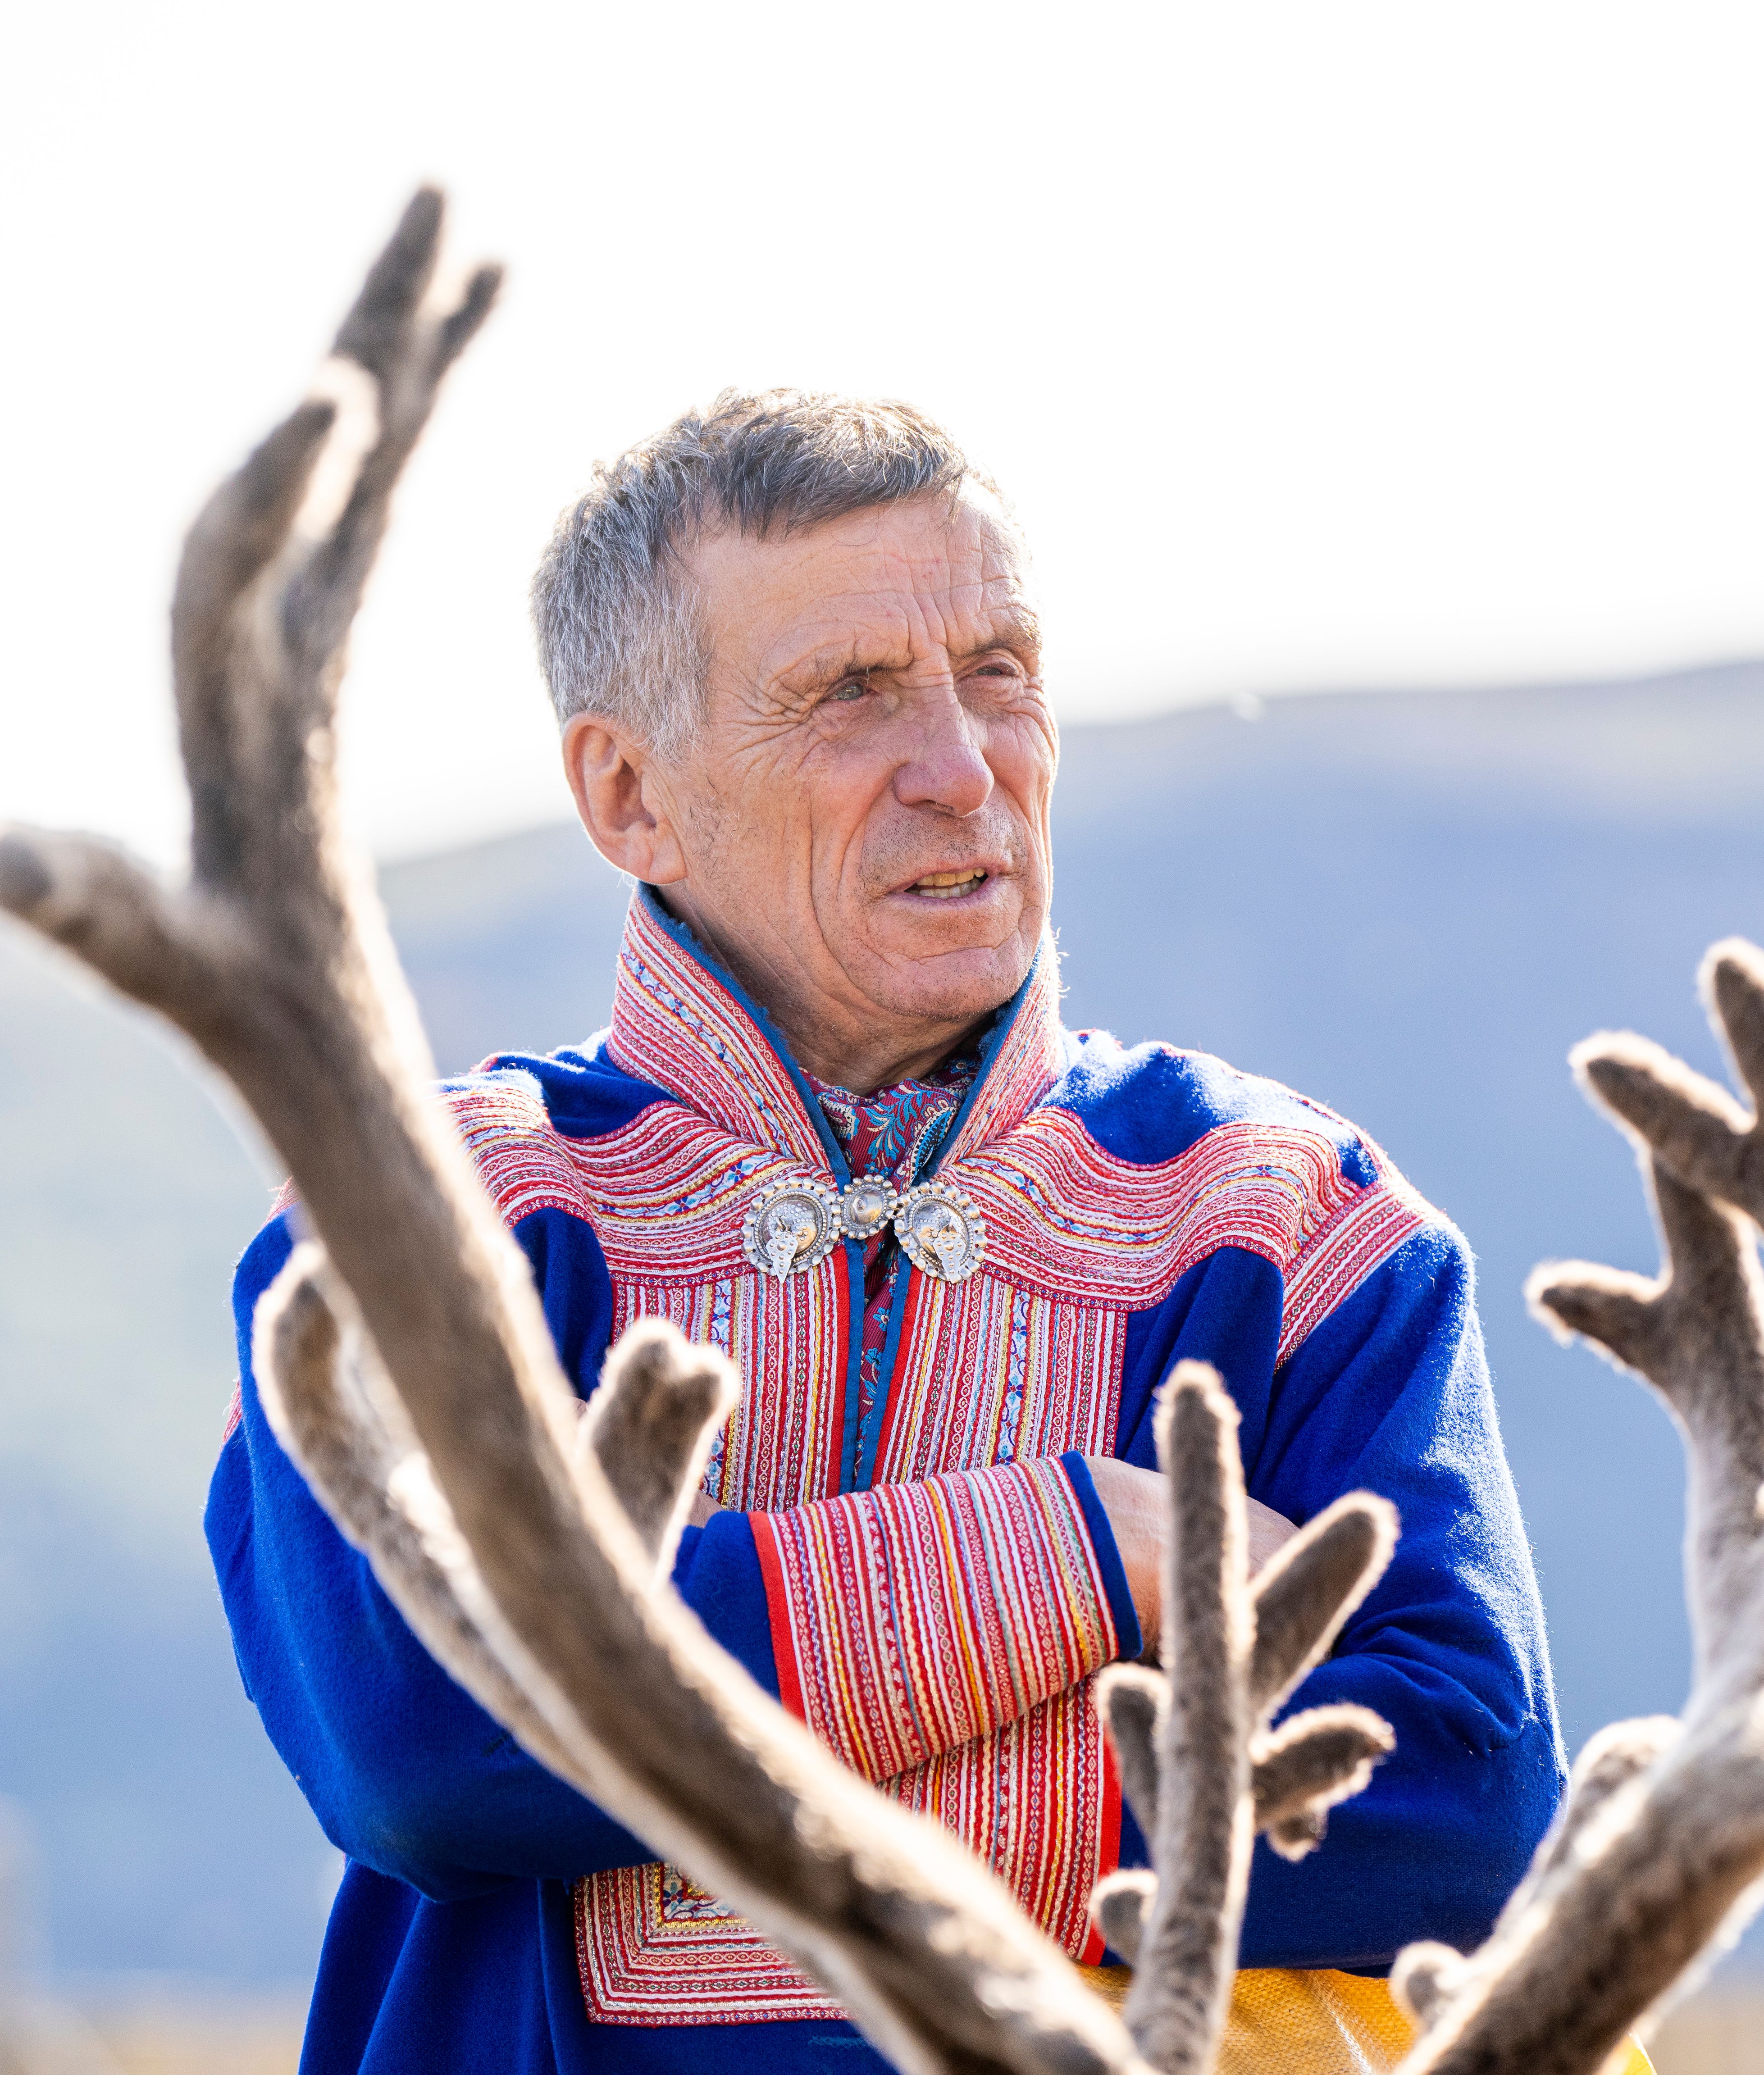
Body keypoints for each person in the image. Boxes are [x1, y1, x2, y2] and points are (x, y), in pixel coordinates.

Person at [208, 392, 1563, 2072]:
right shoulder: (417, 1221)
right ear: (629, 795)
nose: (963, 766)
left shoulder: (1293, 1220)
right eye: (851, 692)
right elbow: (422, 1743)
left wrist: (665, 1777)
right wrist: (1089, 1543)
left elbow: (1462, 1802)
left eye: (999, 670)